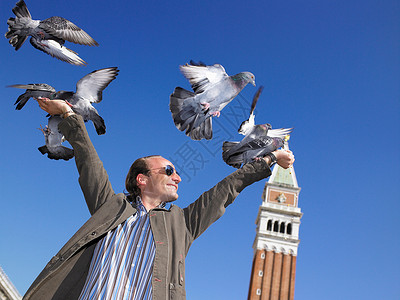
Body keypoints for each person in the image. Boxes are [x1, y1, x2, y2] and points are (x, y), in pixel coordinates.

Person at [24, 98, 295, 300]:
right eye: (168, 170)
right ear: (142, 179)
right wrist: (68, 113)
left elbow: (227, 189)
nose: (177, 176)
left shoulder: (183, 224)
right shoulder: (112, 207)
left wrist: (270, 158)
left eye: (176, 172)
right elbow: (88, 162)